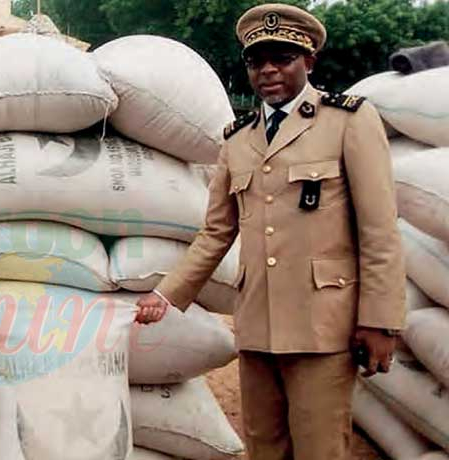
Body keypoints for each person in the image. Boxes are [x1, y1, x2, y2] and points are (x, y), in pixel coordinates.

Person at [135, 4, 406, 459]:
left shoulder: (348, 121)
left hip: (324, 327)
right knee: (264, 447)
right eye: (257, 61)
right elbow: (215, 232)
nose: (268, 71)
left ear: (309, 61)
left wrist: (380, 321)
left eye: (282, 58)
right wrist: (165, 295)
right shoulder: (238, 140)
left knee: (320, 448)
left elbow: (379, 230)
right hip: (258, 324)